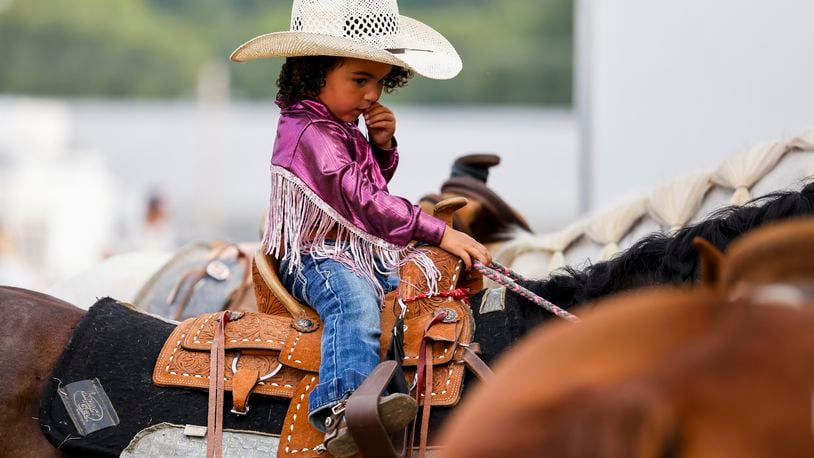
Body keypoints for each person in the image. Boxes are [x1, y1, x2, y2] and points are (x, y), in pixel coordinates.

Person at [230, 1, 491, 455]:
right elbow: (365, 202)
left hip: (352, 249)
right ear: (316, 73)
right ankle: (342, 409)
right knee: (353, 305)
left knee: (419, 289)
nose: (373, 94)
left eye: (378, 81)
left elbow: (366, 187)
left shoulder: (339, 124)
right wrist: (439, 231)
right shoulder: (309, 130)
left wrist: (382, 147)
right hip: (316, 255)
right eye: (359, 80)